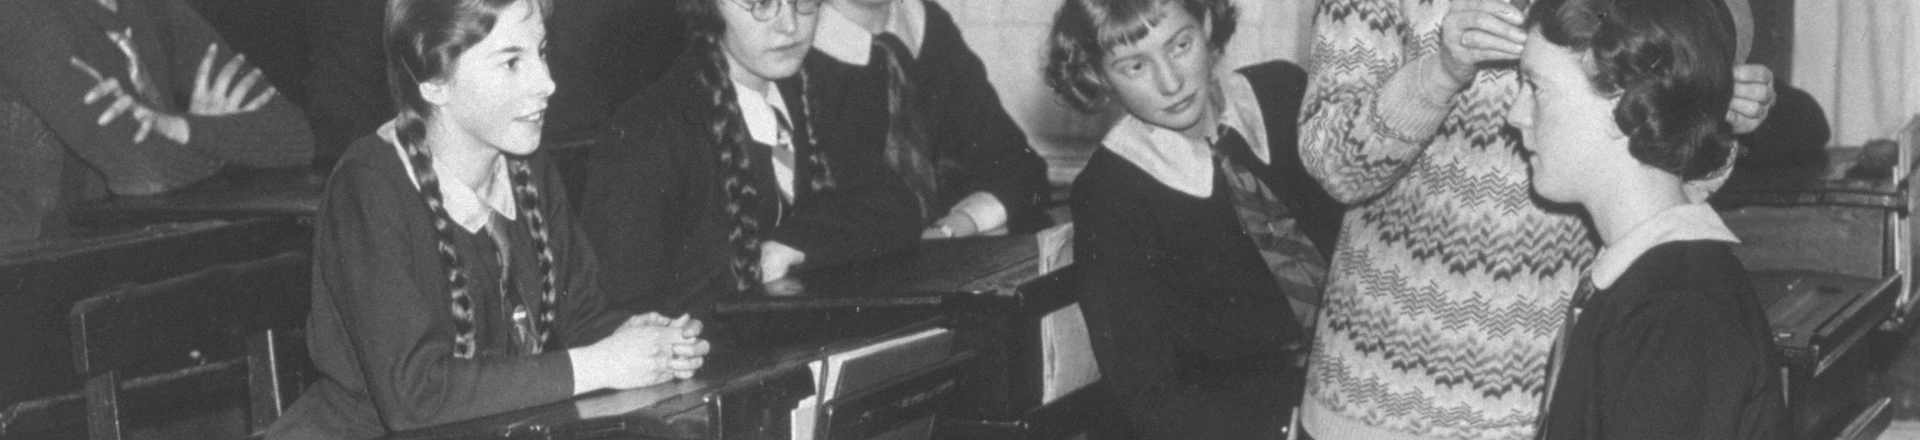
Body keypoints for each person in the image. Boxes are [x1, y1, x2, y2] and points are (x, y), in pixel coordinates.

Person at [1292, 0, 1778, 437]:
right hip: (1382, 392)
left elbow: (1661, 181)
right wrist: (1439, 73)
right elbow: (1336, 168)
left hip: (1573, 375)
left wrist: (1711, 112)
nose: (1517, 115)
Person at [267, 0, 708, 437]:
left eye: (541, 51)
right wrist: (601, 364)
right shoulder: (369, 186)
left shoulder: (528, 168)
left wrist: (641, 342)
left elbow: (580, 318)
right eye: (512, 62)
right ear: (434, 83)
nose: (547, 82)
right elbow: (415, 395)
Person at [1041, 0, 1342, 437]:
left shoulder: (1285, 92)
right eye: (1135, 67)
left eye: (1180, 45)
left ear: (1206, 24)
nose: (1171, 82)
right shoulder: (1108, 192)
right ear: (1097, 74)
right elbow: (1148, 391)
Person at [1512, 0, 1789, 437]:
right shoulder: (1643, 279)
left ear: (1623, 104)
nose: (1516, 115)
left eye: (1536, 88)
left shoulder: (1676, 314)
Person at [582, 0, 920, 318]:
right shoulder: (649, 133)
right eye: (761, 2)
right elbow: (620, 312)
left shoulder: (814, 93)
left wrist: (790, 244)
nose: (790, 25)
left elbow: (896, 206)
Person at [0, 0, 314, 244]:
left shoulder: (154, 9)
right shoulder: (23, 13)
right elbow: (143, 173)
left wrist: (180, 128)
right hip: (33, 265)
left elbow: (296, 138)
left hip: (121, 256)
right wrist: (226, 147)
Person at [804, 0, 1051, 238]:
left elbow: (1019, 166)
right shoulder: (795, 51)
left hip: (953, 248)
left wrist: (958, 224)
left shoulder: (928, 26)